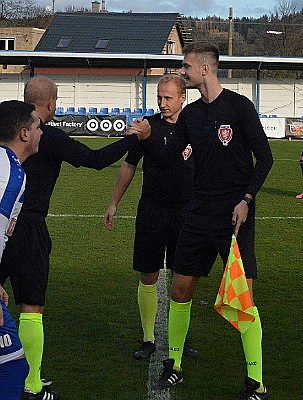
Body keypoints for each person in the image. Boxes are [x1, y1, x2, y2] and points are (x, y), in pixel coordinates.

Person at [131, 41, 274, 400]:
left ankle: (256, 383)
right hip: (197, 215)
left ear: (205, 69)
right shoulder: (192, 115)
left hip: (235, 218)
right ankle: (174, 365)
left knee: (244, 301)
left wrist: (246, 200)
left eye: (186, 67)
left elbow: (266, 159)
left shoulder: (240, 107)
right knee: (180, 291)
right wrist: (145, 137)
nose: (183, 72)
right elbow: (166, 151)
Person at [0, 76, 138, 400]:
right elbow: (96, 160)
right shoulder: (46, 136)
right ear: (48, 103)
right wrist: (132, 139)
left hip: (5, 224)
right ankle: (31, 386)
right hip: (27, 227)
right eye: (56, 99)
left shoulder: (6, 128)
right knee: (31, 307)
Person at [104, 74, 197, 360]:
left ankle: (180, 337)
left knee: (185, 278)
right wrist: (114, 203)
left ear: (183, 97)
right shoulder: (148, 125)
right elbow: (129, 166)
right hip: (152, 210)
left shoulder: (193, 127)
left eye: (168, 97)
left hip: (186, 211)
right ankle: (148, 338)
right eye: (159, 97)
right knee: (149, 273)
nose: (163, 102)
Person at [0, 100, 43, 400]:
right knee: (13, 368)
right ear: (24, 134)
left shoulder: (8, 166)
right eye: (38, 126)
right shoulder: (9, 174)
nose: (42, 132)